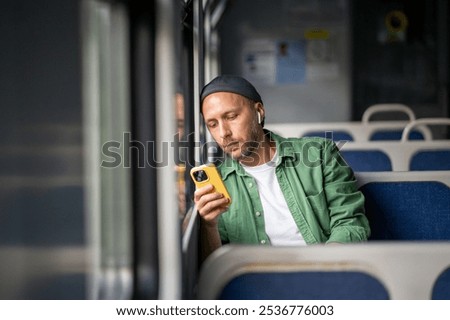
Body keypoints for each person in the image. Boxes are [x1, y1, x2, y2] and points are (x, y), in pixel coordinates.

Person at [194, 75, 370, 258]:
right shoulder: (219, 185)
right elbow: (215, 265)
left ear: (259, 112)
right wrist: (209, 225)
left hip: (324, 272)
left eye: (231, 117)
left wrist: (323, 268)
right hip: (257, 282)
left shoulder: (319, 154)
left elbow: (350, 223)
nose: (224, 133)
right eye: (212, 124)